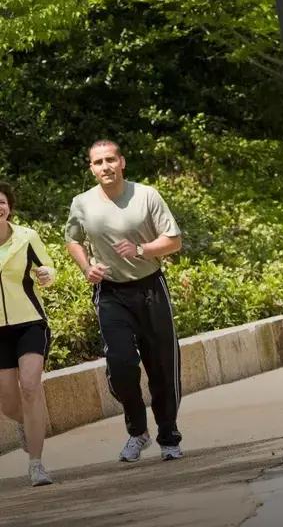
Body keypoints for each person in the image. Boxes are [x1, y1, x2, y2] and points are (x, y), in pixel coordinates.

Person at [64, 139, 184, 462]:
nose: (105, 167)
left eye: (110, 160)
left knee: (161, 364)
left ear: (122, 162)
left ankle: (169, 435)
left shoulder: (146, 196)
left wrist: (142, 250)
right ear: (91, 168)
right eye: (98, 162)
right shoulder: (82, 203)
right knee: (120, 364)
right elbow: (72, 240)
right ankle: (137, 432)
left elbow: (174, 241)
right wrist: (87, 267)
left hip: (150, 288)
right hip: (111, 293)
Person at [0, 182, 55, 486]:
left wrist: (48, 274)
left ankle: (36, 464)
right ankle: (26, 423)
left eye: (2, 201)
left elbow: (48, 266)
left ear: (9, 207)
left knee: (31, 386)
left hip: (30, 323)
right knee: (8, 402)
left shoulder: (26, 237)